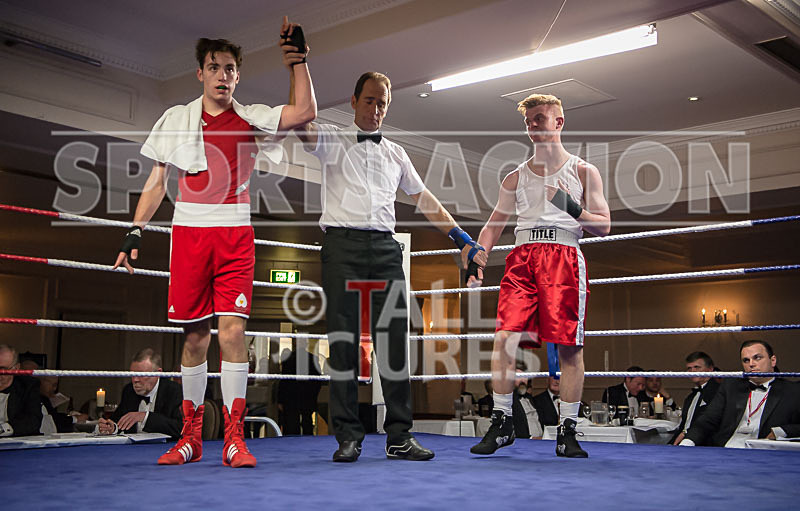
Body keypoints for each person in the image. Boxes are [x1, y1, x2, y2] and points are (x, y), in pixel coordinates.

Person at [111, 18, 316, 467]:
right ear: (200, 73)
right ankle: (190, 438)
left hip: (235, 232)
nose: (222, 74)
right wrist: (134, 231)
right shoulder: (176, 119)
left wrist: (298, 61)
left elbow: (303, 113)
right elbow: (157, 180)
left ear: (238, 75)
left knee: (233, 331)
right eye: (214, 66)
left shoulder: (251, 117)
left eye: (229, 67)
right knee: (195, 339)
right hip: (189, 232)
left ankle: (235, 439)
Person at [294, 71, 488, 462]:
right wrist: (299, 66)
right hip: (341, 244)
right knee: (345, 342)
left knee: (394, 343)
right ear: (353, 101)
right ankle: (348, 435)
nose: (376, 109)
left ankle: (399, 436)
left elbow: (425, 199)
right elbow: (301, 124)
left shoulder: (396, 153)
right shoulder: (332, 139)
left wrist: (460, 237)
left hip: (385, 248)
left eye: (382, 103)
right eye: (369, 100)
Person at [469, 93, 610, 458]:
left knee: (568, 348)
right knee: (504, 339)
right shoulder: (515, 177)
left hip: (563, 256)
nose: (533, 125)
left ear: (559, 122)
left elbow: (605, 226)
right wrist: (477, 259)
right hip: (522, 259)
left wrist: (569, 206)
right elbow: (493, 225)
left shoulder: (583, 171)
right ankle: (502, 422)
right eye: (529, 120)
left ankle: (567, 429)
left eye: (540, 118)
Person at [680, 340, 800, 448]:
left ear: (772, 361)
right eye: (746, 360)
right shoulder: (730, 387)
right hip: (726, 450)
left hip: (764, 455)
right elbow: (707, 420)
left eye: (757, 358)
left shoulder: (792, 391)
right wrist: (687, 443)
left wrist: (781, 431)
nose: (751, 364)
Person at [96, 349, 183, 438]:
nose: (135, 380)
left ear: (158, 373)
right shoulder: (129, 391)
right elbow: (118, 421)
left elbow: (181, 428)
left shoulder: (174, 391)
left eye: (141, 374)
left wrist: (145, 417)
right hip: (133, 450)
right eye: (133, 374)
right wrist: (112, 428)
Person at [670, 351, 719, 445]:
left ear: (710, 369)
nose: (692, 371)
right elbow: (683, 426)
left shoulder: (718, 392)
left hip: (704, 444)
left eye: (697, 367)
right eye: (689, 368)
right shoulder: (691, 397)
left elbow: (709, 423)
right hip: (685, 443)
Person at [277, 343, 322, 435]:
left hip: (291, 395)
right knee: (307, 420)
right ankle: (308, 439)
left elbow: (284, 381)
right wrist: (314, 395)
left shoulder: (289, 358)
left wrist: (280, 399)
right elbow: (318, 380)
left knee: (291, 423)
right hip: (307, 395)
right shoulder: (312, 358)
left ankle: (292, 441)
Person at [0, 344, 42, 437]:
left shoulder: (28, 386)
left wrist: (2, 429)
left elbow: (33, 421)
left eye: (3, 369)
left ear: (16, 369)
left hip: (15, 444)